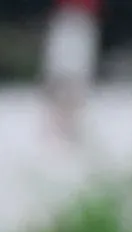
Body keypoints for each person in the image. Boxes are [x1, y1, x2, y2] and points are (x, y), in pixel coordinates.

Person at [41, 0, 101, 145]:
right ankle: (56, 124)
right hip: (66, 20)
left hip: (83, 21)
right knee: (59, 78)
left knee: (77, 80)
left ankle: (71, 124)